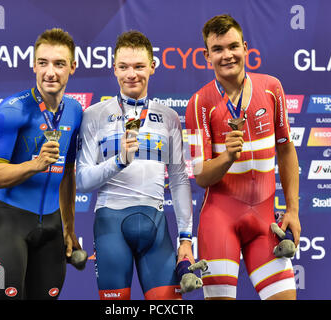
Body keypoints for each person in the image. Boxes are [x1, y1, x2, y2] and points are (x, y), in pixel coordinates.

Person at [185, 14, 301, 300]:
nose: (227, 55)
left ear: (245, 48)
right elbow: (200, 176)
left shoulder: (272, 88)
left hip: (264, 220)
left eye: (233, 46)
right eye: (218, 49)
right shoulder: (198, 103)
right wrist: (226, 158)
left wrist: (293, 211)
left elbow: (286, 150)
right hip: (219, 222)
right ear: (206, 55)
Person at [76, 30, 194, 300]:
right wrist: (118, 161)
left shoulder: (169, 117)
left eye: (139, 66)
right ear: (113, 69)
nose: (132, 74)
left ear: (152, 67)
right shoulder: (94, 115)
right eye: (124, 67)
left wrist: (186, 238)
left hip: (156, 225)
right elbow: (82, 180)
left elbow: (178, 180)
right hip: (110, 225)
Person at [0, 28, 83, 300]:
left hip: (52, 226)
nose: (50, 72)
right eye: (43, 63)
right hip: (9, 222)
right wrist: (34, 164)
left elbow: (67, 175)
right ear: (34, 65)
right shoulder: (12, 110)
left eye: (59, 64)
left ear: (72, 67)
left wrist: (69, 229)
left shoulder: (75, 112)